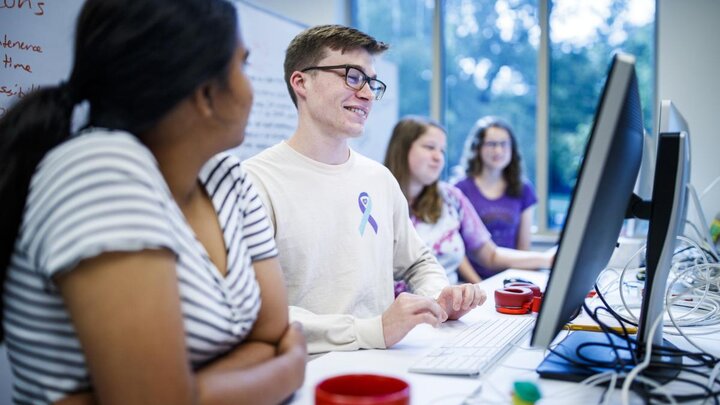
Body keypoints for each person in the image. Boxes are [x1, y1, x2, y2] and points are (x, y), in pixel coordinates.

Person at [0, 0, 306, 403]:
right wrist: (284, 373)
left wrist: (189, 392)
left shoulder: (227, 177)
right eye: (243, 66)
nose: (251, 87)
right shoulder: (100, 170)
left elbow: (270, 332)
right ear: (207, 94)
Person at [243, 25, 487, 354]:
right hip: (306, 369)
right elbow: (254, 311)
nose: (368, 94)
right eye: (352, 76)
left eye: (372, 82)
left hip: (387, 359)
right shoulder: (256, 182)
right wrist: (372, 330)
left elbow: (419, 263)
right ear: (301, 82)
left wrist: (437, 299)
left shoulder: (379, 179)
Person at [384, 116, 554, 284]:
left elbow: (490, 255)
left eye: (442, 150)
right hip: (395, 307)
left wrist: (547, 259)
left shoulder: (451, 198)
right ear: (402, 150)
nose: (438, 157)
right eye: (430, 147)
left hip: (449, 304)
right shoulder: (376, 199)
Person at [454, 116, 538, 280]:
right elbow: (455, 248)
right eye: (491, 144)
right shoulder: (460, 190)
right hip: (469, 283)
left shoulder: (524, 189)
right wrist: (477, 285)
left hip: (510, 280)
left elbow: (523, 247)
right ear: (478, 148)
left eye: (503, 144)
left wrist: (519, 283)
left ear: (512, 148)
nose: (498, 150)